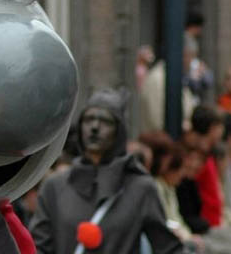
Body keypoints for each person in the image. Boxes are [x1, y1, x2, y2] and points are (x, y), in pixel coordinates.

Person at [30, 88, 182, 253]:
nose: (95, 127)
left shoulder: (140, 188)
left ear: (119, 131)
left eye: (106, 121)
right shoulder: (54, 187)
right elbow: (38, 248)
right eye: (89, 119)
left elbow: (168, 248)